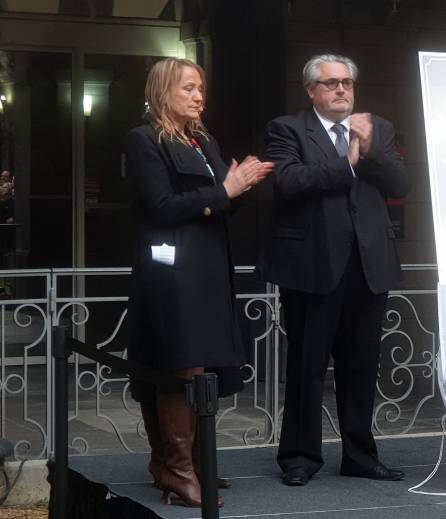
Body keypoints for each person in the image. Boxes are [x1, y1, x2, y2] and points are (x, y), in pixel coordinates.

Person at [257, 54, 410, 487]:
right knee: (307, 366)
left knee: (361, 366)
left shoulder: (376, 128)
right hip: (312, 268)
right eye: (330, 84)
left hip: (368, 268)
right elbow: (289, 184)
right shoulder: (287, 130)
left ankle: (360, 455)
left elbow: (401, 185)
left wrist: (370, 147)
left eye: (347, 83)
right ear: (312, 91)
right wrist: (348, 160)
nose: (341, 90)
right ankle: (300, 458)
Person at [125, 57, 272, 507]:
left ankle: (189, 463)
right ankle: (177, 469)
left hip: (207, 269)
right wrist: (224, 191)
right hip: (171, 274)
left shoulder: (202, 138)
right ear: (163, 90)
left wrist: (242, 186)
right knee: (181, 364)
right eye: (188, 88)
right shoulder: (144, 139)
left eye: (201, 88)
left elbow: (220, 205)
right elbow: (162, 207)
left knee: (202, 365)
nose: (198, 96)